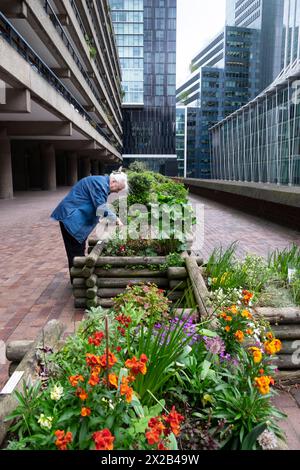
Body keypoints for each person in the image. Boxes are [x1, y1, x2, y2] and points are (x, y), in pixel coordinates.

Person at [51, 171, 128, 281]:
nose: (117, 192)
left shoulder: (101, 183)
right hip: (71, 219)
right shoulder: (99, 184)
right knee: (75, 253)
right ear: (114, 181)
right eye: (118, 188)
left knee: (78, 250)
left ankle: (77, 280)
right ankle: (78, 282)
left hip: (74, 219)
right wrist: (115, 219)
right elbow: (101, 208)